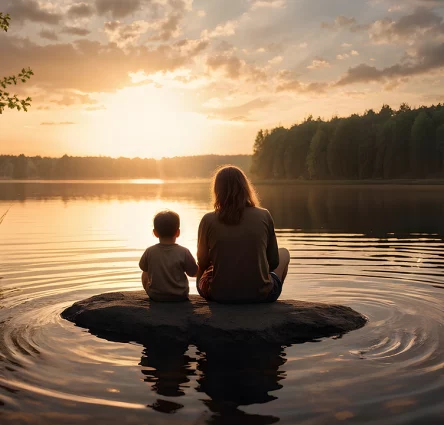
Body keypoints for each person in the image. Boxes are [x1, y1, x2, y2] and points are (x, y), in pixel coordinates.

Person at [196, 165, 290, 303]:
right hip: (260, 296)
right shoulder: (264, 215)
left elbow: (202, 261)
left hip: (219, 296)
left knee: (208, 267)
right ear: (245, 188)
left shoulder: (208, 219)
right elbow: (274, 261)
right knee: (284, 253)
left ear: (217, 191)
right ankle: (264, 293)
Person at [139, 210, 198, 302]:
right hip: (180, 296)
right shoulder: (184, 252)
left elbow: (143, 267)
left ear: (155, 233)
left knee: (144, 272)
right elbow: (193, 273)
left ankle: (155, 291)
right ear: (178, 232)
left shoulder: (149, 251)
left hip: (156, 296)